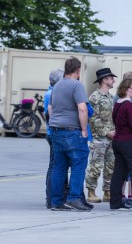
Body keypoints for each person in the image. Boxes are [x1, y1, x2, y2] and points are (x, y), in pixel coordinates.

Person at [49, 57, 91, 212]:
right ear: (78, 70)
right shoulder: (77, 85)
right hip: (72, 131)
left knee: (58, 167)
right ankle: (74, 198)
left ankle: (56, 202)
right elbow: (82, 108)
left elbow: (51, 108)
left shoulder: (57, 85)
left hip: (55, 129)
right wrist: (84, 130)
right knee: (79, 165)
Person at [109, 78, 132, 211]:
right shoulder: (129, 105)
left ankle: (115, 203)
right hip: (131, 142)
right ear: (125, 89)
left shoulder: (118, 104)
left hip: (118, 141)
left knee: (119, 173)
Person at [85, 68, 117, 204]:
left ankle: (107, 192)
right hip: (99, 138)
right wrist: (107, 132)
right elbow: (92, 118)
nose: (113, 80)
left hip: (111, 138)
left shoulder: (111, 97)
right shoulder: (94, 97)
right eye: (111, 78)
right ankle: (91, 192)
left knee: (111, 166)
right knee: (95, 166)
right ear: (104, 80)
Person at [44, 69, 64, 209]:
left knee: (54, 165)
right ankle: (51, 197)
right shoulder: (52, 93)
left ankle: (52, 196)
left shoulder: (50, 92)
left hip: (51, 132)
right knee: (54, 166)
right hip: (53, 133)